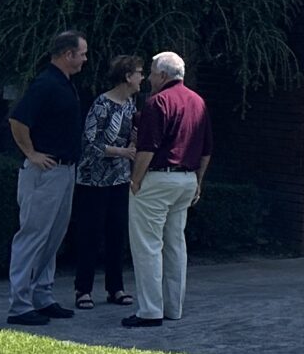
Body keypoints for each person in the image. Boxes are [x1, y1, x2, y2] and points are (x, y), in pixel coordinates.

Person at [5, 29, 89, 326]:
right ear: (68, 54)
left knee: (52, 235)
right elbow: (18, 119)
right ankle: (20, 305)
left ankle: (42, 295)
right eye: (82, 53)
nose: (84, 59)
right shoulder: (46, 83)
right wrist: (32, 154)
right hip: (46, 172)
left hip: (65, 170)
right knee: (34, 235)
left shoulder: (63, 84)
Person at [123, 50, 211, 328]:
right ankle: (174, 307)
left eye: (151, 72)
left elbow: (147, 147)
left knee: (148, 245)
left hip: (159, 179)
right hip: (187, 179)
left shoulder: (157, 102)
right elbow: (207, 149)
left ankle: (150, 310)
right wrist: (198, 180)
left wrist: (136, 180)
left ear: (162, 75)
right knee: (175, 244)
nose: (149, 77)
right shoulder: (198, 102)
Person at [70, 54, 146, 309]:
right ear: (127, 76)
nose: (142, 78)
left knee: (117, 233)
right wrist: (121, 152)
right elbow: (89, 142)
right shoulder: (102, 104)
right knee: (90, 234)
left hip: (119, 179)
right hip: (94, 181)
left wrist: (134, 141)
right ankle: (83, 290)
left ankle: (116, 287)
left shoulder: (131, 105)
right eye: (138, 72)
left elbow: (130, 138)